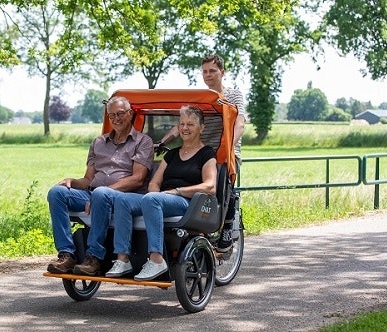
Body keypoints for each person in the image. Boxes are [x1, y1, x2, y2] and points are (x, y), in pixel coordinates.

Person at [105, 105, 217, 280]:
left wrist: (176, 192)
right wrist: (155, 195)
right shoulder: (171, 154)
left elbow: (210, 186)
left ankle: (156, 259)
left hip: (187, 202)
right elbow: (155, 182)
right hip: (160, 200)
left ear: (201, 127)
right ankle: (123, 258)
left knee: (152, 200)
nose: (185, 128)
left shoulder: (206, 153)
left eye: (191, 124)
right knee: (122, 199)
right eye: (182, 124)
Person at [46, 96, 154, 275]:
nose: (116, 119)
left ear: (130, 113)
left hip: (123, 197)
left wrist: (104, 192)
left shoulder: (143, 141)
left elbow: (138, 179)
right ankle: (66, 254)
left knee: (100, 194)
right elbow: (88, 180)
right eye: (112, 116)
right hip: (93, 194)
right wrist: (72, 182)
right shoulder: (98, 142)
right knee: (56, 193)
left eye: (120, 114)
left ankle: (94, 257)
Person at [158, 54, 246, 253]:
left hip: (226, 150)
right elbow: (180, 125)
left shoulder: (233, 95)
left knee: (225, 187)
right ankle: (198, 231)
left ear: (222, 73)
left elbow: (240, 123)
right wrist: (162, 142)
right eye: (204, 71)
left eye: (212, 71)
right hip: (202, 150)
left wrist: (228, 147)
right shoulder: (201, 98)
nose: (208, 75)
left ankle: (227, 226)